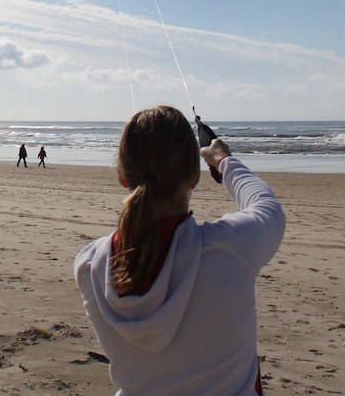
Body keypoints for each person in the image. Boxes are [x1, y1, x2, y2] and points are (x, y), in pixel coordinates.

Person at [74, 105, 285, 396]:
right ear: (194, 179)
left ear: (123, 177)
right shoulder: (230, 249)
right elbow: (267, 207)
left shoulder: (89, 266)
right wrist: (224, 160)